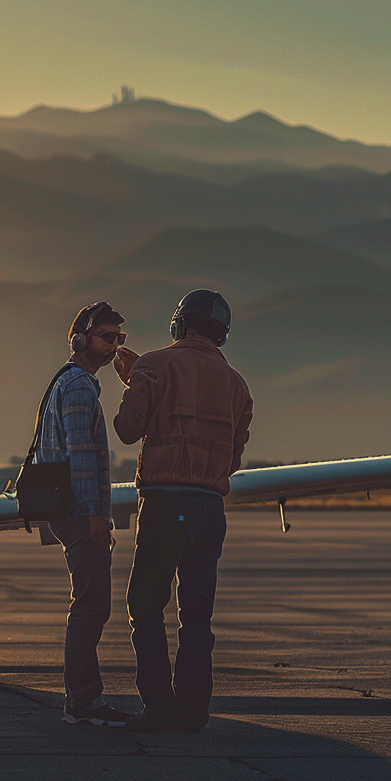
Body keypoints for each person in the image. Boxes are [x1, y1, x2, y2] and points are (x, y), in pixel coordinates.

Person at [112, 290, 253, 732]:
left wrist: (136, 379)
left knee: (145, 606)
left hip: (165, 504)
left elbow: (126, 430)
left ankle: (159, 708)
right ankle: (194, 712)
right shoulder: (238, 387)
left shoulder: (154, 365)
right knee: (196, 617)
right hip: (211, 510)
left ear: (180, 324)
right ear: (221, 334)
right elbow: (232, 459)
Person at [35, 301, 131, 726]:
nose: (114, 346)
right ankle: (83, 701)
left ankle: (83, 697)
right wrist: (95, 515)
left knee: (90, 604)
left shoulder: (75, 382)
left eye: (120, 338)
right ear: (81, 340)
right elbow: (81, 455)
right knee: (91, 606)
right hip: (78, 511)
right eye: (107, 337)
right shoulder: (78, 387)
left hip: (72, 509)